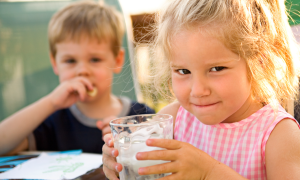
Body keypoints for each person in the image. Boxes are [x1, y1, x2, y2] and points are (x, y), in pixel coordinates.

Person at [102, 0, 300, 179]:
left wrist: (209, 172)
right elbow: (146, 169)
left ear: (259, 62)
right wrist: (118, 164)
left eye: (216, 69)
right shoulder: (172, 121)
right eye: (183, 71)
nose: (197, 90)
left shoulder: (278, 135)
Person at [0, 0, 154, 156]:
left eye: (95, 59)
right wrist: (51, 102)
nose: (82, 71)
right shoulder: (54, 121)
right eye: (70, 61)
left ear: (118, 60)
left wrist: (133, 142)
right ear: (55, 63)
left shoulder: (141, 115)